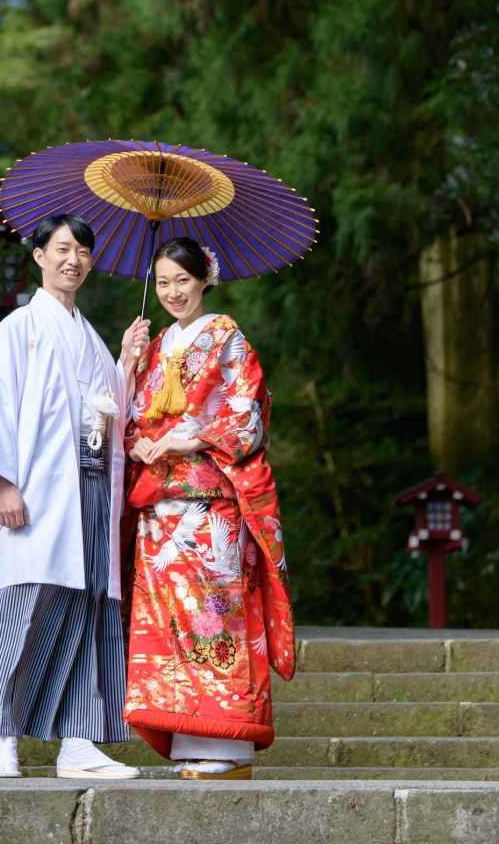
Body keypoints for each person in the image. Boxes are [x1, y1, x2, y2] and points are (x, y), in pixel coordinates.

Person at [0, 214, 143, 779]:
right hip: (36, 491)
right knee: (26, 608)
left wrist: (126, 360)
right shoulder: (19, 328)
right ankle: (4, 742)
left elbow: (109, 412)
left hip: (90, 491)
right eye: (62, 249)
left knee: (86, 611)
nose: (73, 260)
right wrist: (4, 482)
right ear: (39, 256)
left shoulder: (90, 336)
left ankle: (78, 743)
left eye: (83, 250)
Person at [119, 236, 295, 780]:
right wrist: (138, 433)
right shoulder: (153, 344)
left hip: (209, 505)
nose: (173, 292)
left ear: (205, 280)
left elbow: (247, 418)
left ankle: (231, 745)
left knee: (214, 621)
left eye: (183, 281)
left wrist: (182, 440)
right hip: (158, 506)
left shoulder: (226, 337)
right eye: (163, 282)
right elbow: (130, 416)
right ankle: (193, 741)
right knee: (168, 628)